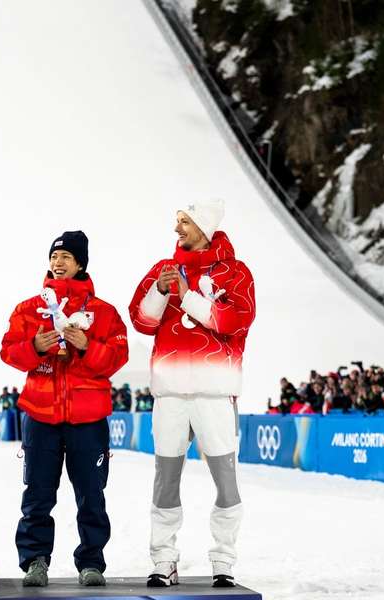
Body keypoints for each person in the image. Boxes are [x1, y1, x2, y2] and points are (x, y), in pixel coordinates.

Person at [128, 200, 255, 588]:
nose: (177, 228)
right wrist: (159, 291)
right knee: (165, 480)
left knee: (225, 481)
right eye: (177, 221)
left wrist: (185, 296)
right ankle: (163, 560)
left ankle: (224, 561)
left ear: (204, 226)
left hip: (215, 393)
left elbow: (236, 320)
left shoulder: (235, 273)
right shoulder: (161, 269)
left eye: (184, 222)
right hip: (170, 395)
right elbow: (141, 320)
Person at [0, 231, 129, 588]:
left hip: (88, 419)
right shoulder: (29, 309)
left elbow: (117, 358)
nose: (58, 263)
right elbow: (9, 351)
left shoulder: (103, 312)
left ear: (81, 264)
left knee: (91, 493)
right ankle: (35, 561)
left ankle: (91, 562)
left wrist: (88, 345)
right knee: (38, 492)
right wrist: (34, 346)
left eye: (66, 258)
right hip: (40, 416)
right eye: (55, 257)